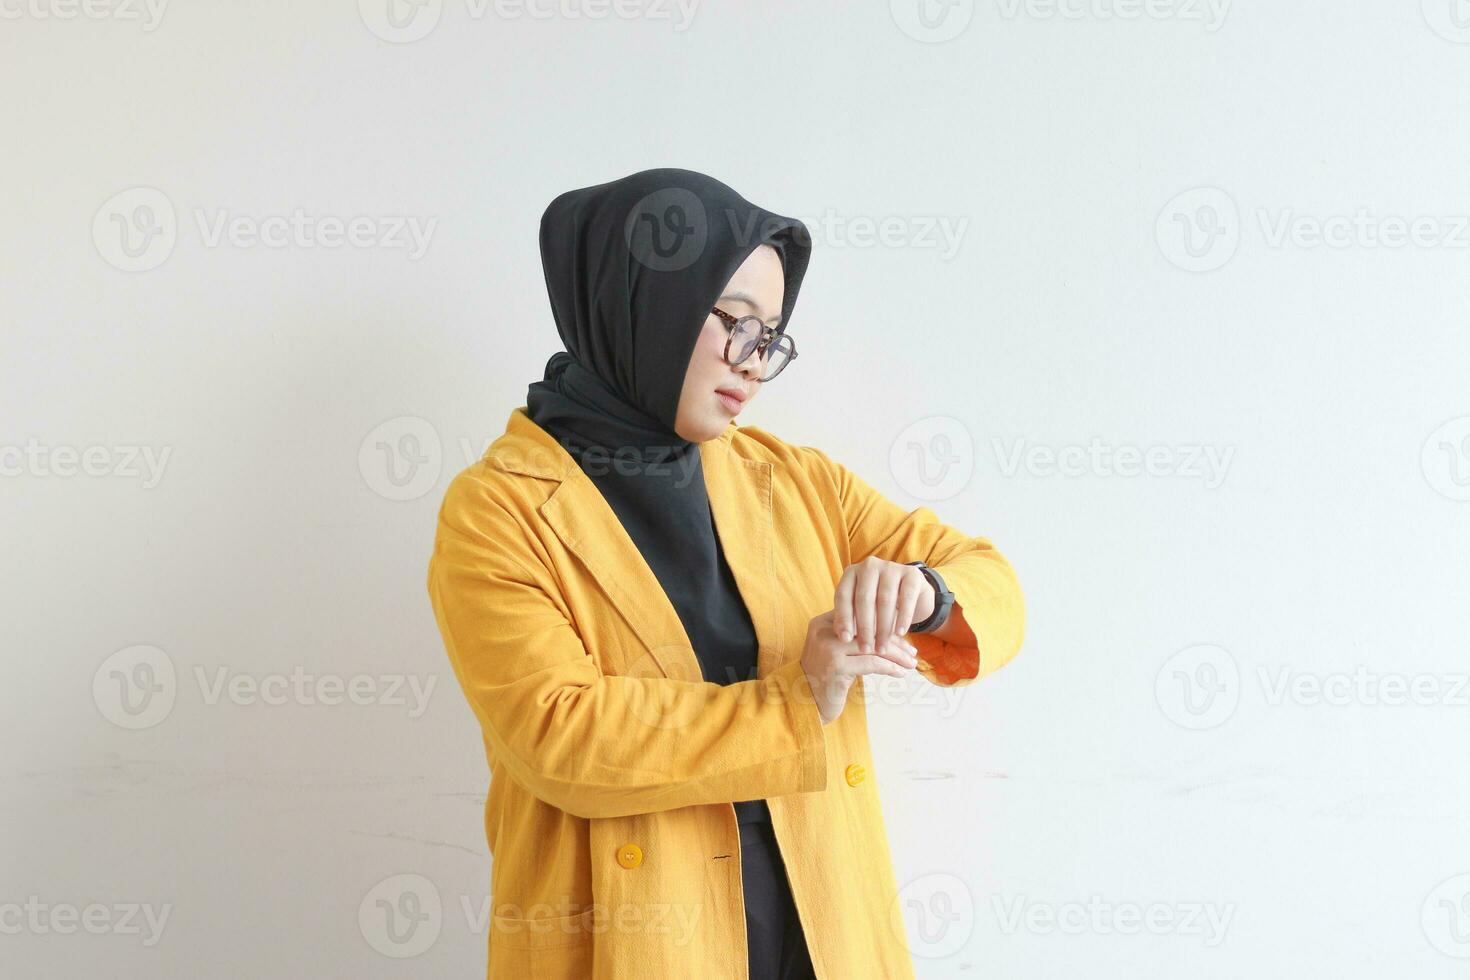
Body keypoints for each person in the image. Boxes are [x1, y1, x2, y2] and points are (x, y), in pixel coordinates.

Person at [426, 167, 1025, 979]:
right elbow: (559, 732)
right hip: (633, 946)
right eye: (734, 322)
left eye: (771, 335)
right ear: (640, 304)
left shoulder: (795, 481)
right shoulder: (500, 511)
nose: (754, 360)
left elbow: (990, 579)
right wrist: (796, 703)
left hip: (824, 929)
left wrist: (924, 593)